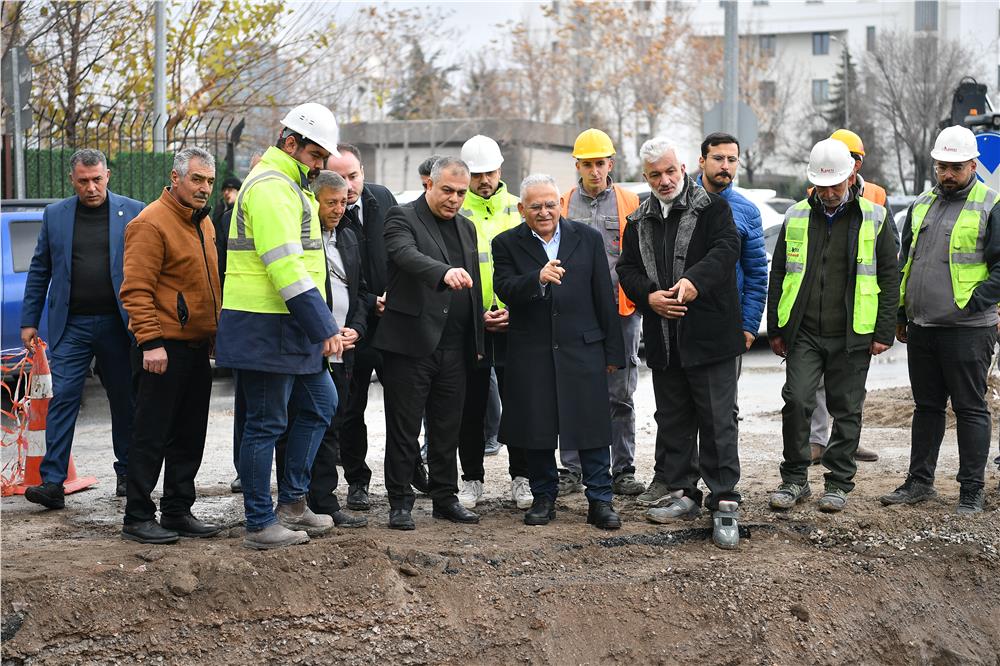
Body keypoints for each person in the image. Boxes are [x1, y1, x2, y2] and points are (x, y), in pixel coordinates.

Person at [215, 103, 344, 550]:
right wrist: (323, 325)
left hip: (288, 326)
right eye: (315, 156)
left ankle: (291, 502)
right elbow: (284, 264)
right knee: (266, 423)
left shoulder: (292, 184)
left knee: (320, 404)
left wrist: (317, 324)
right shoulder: (273, 186)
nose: (320, 165)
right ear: (291, 143)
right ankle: (259, 522)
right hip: (265, 326)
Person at [616, 138, 743, 549]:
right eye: (655, 175)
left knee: (717, 421)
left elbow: (727, 250)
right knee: (674, 420)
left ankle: (724, 501)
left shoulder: (712, 207)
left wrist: (693, 283)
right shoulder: (639, 219)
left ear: (684, 167)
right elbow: (627, 268)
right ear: (646, 177)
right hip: (665, 339)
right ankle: (684, 491)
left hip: (709, 337)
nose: (665, 180)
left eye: (671, 171)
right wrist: (648, 296)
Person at [767, 139, 898, 514]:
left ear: (851, 175)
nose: (826, 194)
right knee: (797, 400)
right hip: (804, 331)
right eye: (820, 186)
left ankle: (838, 482)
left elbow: (889, 277)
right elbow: (779, 273)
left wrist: (882, 331)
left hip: (852, 332)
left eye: (834, 186)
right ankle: (794, 479)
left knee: (847, 408)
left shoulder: (875, 216)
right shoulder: (795, 216)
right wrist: (776, 327)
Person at [493, 174, 626, 529]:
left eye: (550, 204)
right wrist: (536, 278)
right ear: (522, 209)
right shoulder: (505, 243)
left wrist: (613, 352)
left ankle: (600, 500)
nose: (544, 212)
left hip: (582, 347)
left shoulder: (588, 239)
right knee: (537, 428)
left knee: (591, 426)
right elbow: (504, 287)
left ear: (561, 204)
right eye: (535, 206)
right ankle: (543, 498)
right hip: (532, 350)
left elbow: (604, 295)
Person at [881, 125, 1000, 514]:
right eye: (941, 167)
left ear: (972, 165)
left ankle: (971, 490)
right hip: (923, 326)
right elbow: (906, 263)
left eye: (956, 167)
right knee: (927, 406)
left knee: (970, 408)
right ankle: (920, 482)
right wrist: (901, 312)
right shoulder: (921, 204)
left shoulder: (991, 204)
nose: (947, 174)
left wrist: (972, 303)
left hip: (968, 329)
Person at [21, 149, 143, 509]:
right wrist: (29, 320)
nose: (91, 188)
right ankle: (53, 483)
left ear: (108, 175)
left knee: (125, 401)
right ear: (72, 180)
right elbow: (40, 268)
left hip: (118, 325)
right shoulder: (55, 215)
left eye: (97, 179)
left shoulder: (134, 211)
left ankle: (129, 474)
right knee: (63, 401)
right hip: (72, 324)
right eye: (83, 181)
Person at [118, 147, 223, 544]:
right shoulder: (150, 223)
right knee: (151, 433)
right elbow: (135, 290)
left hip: (196, 346)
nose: (204, 188)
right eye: (197, 179)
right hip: (161, 348)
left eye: (209, 181)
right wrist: (150, 342)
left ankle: (178, 509)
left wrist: (212, 330)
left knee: (190, 433)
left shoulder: (204, 222)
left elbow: (207, 283)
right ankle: (138, 516)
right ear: (176, 178)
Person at [374, 157, 485, 530]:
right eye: (448, 190)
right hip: (410, 344)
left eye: (461, 193)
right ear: (429, 185)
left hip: (455, 346)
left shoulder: (467, 228)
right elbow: (406, 256)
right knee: (404, 428)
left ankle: (444, 497)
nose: (454, 199)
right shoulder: (401, 217)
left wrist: (480, 328)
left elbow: (474, 285)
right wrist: (443, 272)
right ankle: (400, 502)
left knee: (446, 428)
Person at [325, 144, 426, 511]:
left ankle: (412, 467)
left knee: (405, 401)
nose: (348, 187)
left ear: (363, 172)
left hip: (394, 320)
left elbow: (402, 249)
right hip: (354, 323)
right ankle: (357, 481)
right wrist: (369, 302)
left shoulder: (382, 198)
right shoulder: (325, 208)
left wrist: (396, 297)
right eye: (340, 178)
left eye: (353, 176)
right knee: (351, 408)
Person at [274, 170, 369, 528]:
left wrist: (356, 330)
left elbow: (359, 291)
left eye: (344, 202)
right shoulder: (300, 240)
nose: (339, 209)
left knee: (332, 423)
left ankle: (325, 502)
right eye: (331, 202)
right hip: (308, 346)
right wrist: (324, 331)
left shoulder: (347, 238)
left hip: (343, 347)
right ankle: (294, 500)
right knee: (294, 424)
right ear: (313, 201)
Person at [557, 128, 644, 497]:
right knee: (573, 391)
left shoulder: (629, 202)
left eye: (600, 163)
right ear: (577, 165)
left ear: (611, 163)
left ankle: (622, 469)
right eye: (587, 164)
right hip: (576, 316)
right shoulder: (561, 204)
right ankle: (572, 469)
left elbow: (640, 258)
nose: (594, 171)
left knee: (620, 394)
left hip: (621, 312)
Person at [454, 135, 532, 510]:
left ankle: (522, 477)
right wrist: (475, 313)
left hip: (514, 320)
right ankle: (471, 479)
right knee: (471, 405)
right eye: (477, 174)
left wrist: (514, 309)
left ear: (500, 170)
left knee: (518, 402)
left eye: (489, 172)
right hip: (472, 323)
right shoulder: (455, 208)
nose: (484, 180)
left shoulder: (519, 207)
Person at [809, 128, 888, 464]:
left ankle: (846, 442)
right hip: (824, 306)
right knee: (816, 385)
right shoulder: (818, 192)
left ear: (858, 162)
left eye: (854, 158)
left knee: (850, 385)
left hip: (858, 308)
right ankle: (817, 441)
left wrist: (884, 323)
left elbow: (887, 263)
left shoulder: (876, 197)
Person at [696, 132, 767, 354]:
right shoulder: (681, 203)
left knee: (723, 389)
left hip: (728, 323)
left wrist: (749, 326)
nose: (725, 166)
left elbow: (757, 274)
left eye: (732, 160)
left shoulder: (748, 212)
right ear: (702, 161)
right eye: (718, 158)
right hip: (684, 319)